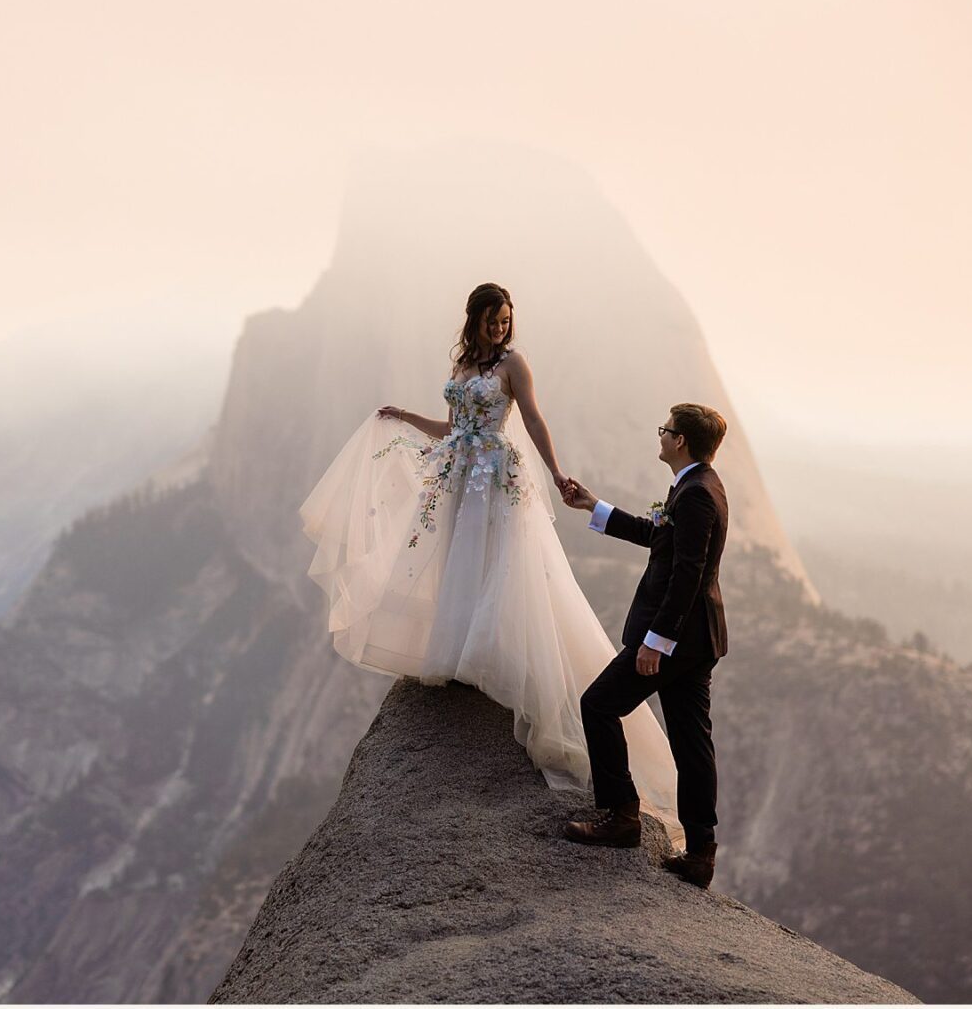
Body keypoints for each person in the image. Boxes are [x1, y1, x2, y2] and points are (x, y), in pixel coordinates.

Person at [299, 282, 684, 849]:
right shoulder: (464, 362)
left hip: (496, 482)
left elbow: (531, 418)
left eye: (507, 319)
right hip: (461, 478)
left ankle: (489, 657)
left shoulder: (513, 364)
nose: (502, 327)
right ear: (475, 319)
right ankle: (459, 654)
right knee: (458, 566)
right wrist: (405, 416)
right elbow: (454, 427)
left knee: (501, 570)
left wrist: (556, 473)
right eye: (494, 318)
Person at [557, 402, 729, 889]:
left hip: (674, 639)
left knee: (598, 705)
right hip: (697, 640)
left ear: (680, 442)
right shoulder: (699, 485)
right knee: (693, 745)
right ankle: (700, 854)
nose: (660, 435)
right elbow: (659, 538)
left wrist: (656, 642)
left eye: (665, 430)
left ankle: (621, 816)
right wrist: (596, 507)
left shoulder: (695, 494)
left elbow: (687, 576)